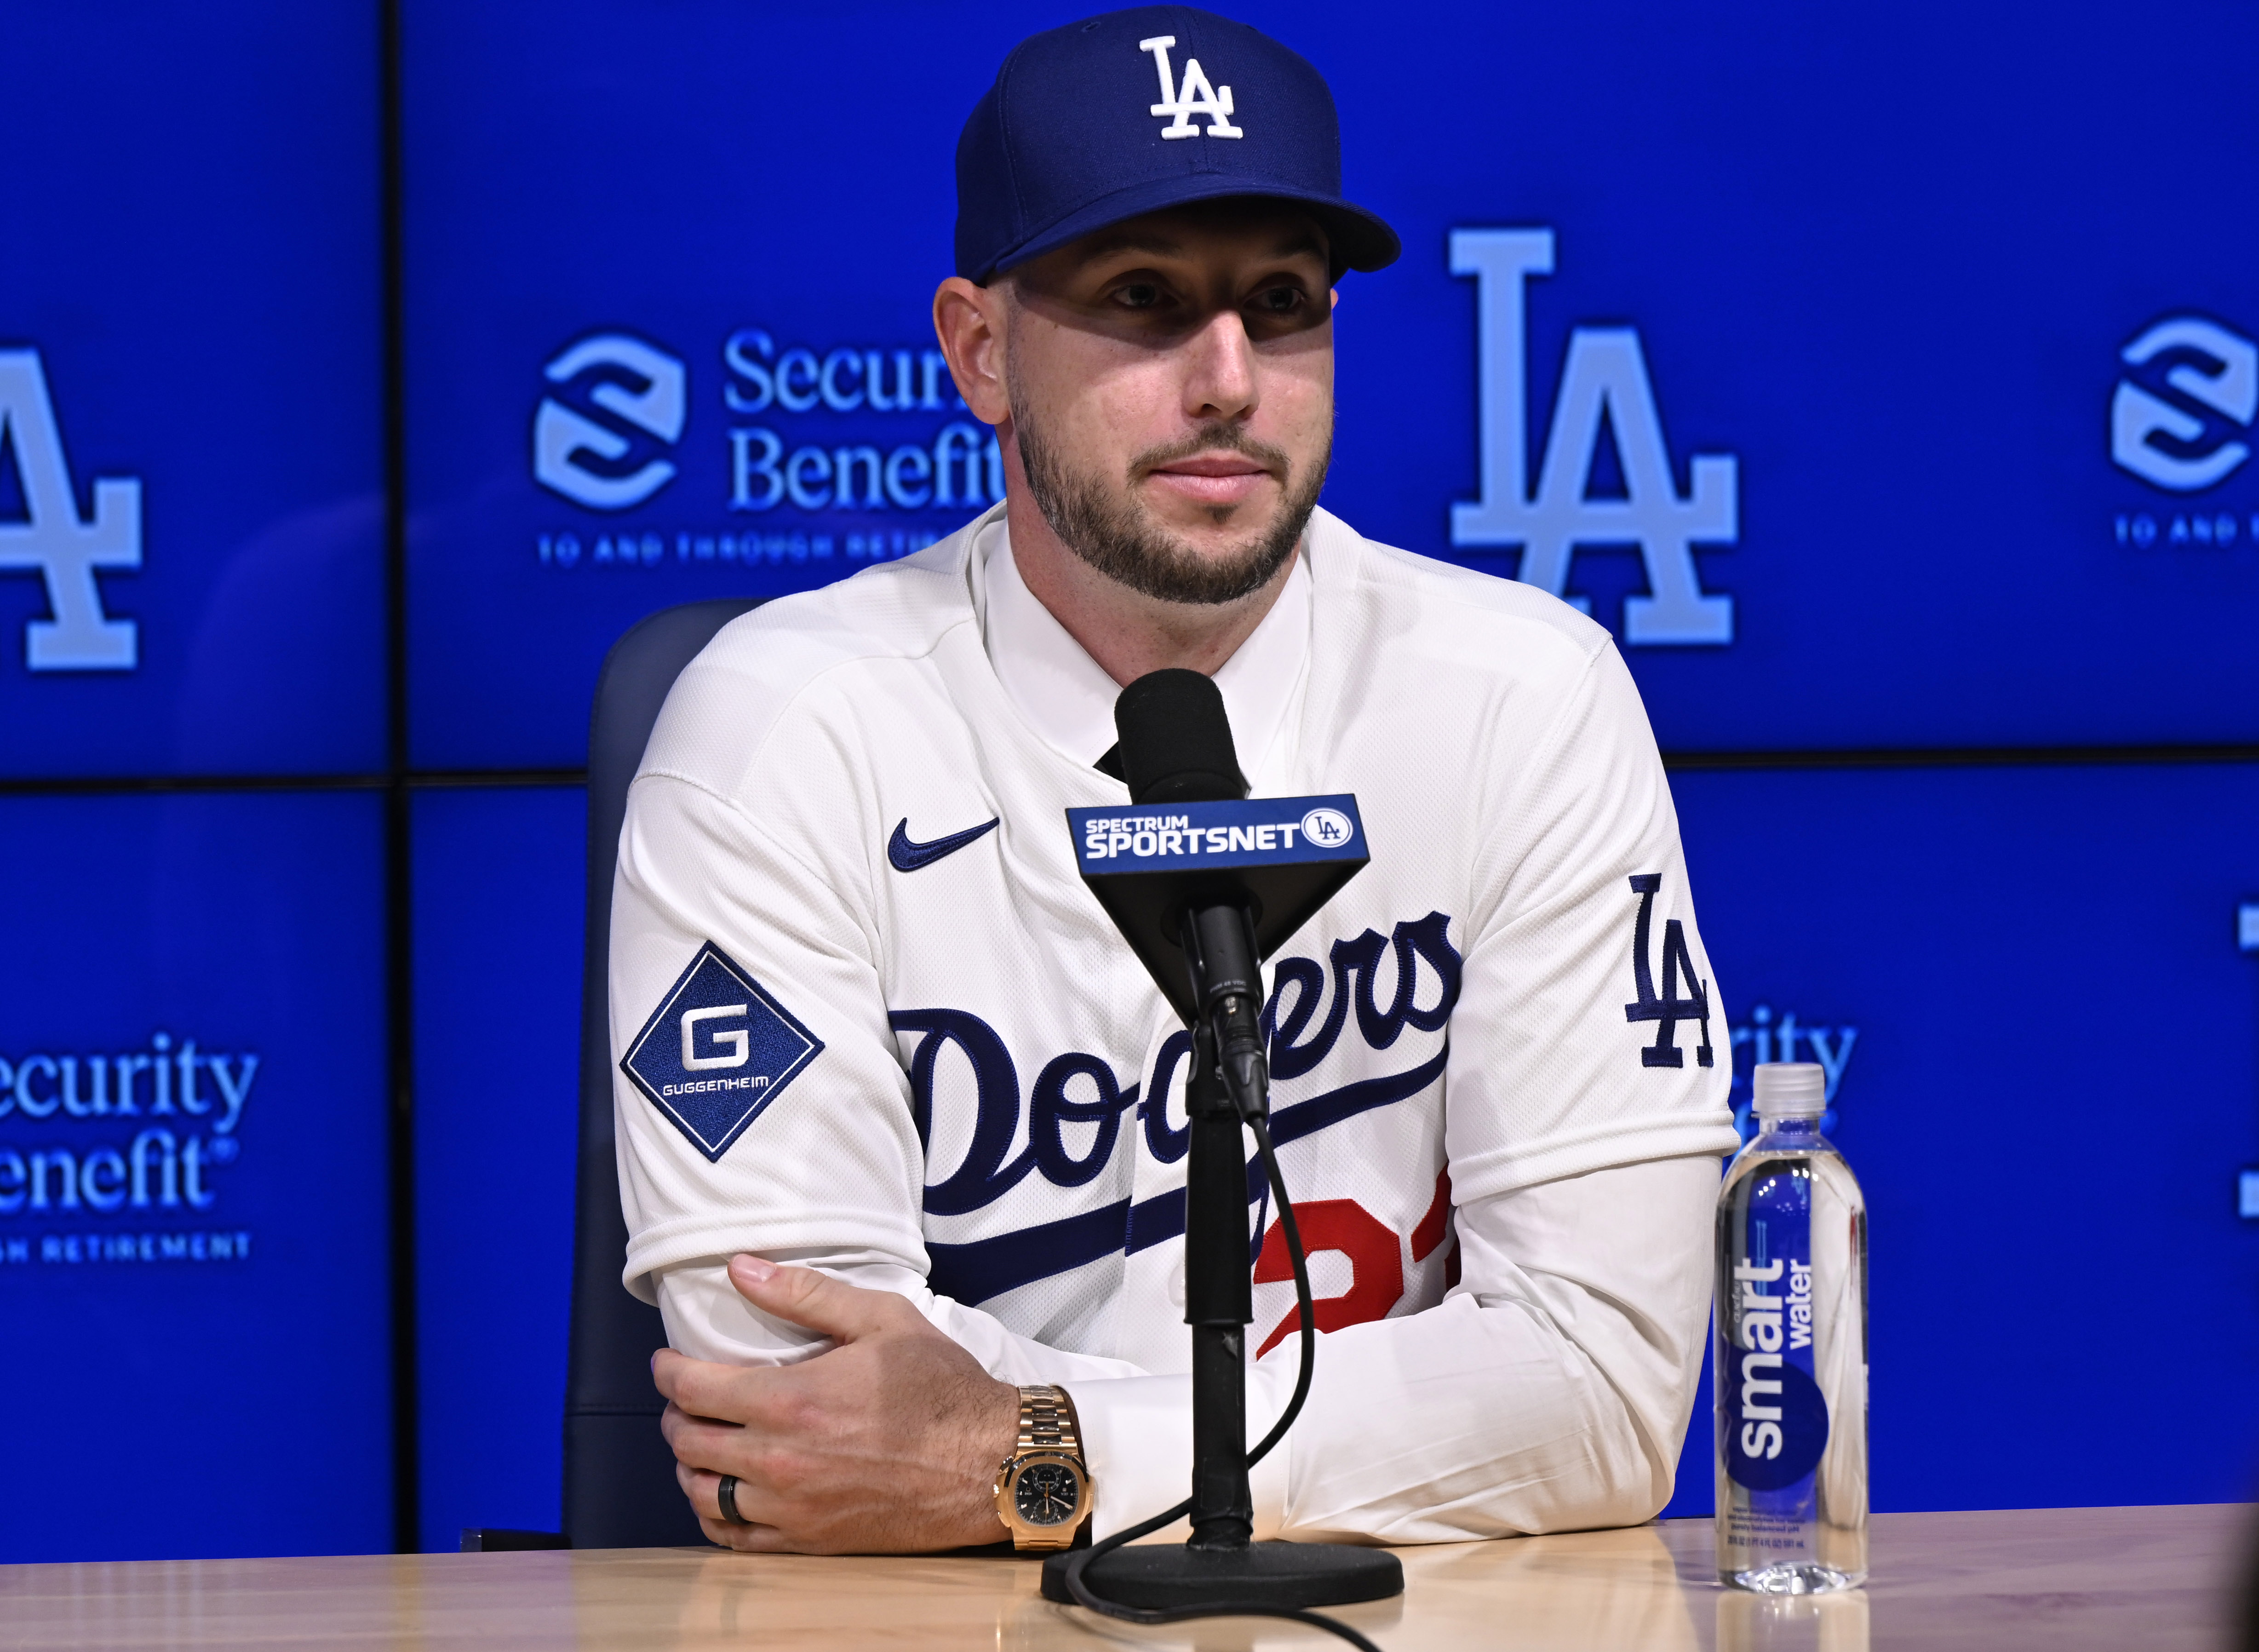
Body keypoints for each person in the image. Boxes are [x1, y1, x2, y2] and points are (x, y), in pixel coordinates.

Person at [609, 4, 1738, 1557]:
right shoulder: (783, 730)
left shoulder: (1521, 694)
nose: (1228, 379)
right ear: (979, 351)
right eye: (1144, 301)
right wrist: (1407, 1421)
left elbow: (1606, 1391)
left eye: (1281, 304)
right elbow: (797, 1413)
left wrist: (1035, 1455)